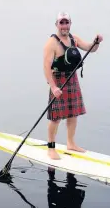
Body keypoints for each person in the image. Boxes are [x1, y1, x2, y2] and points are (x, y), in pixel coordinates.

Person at [43, 12, 103, 160]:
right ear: (56, 24)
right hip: (58, 81)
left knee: (73, 113)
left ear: (70, 23)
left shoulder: (73, 38)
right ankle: (51, 148)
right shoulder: (52, 43)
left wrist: (96, 42)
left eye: (67, 23)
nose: (64, 26)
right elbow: (46, 67)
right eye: (61, 23)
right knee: (56, 117)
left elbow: (91, 48)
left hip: (72, 79)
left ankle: (71, 143)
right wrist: (53, 87)